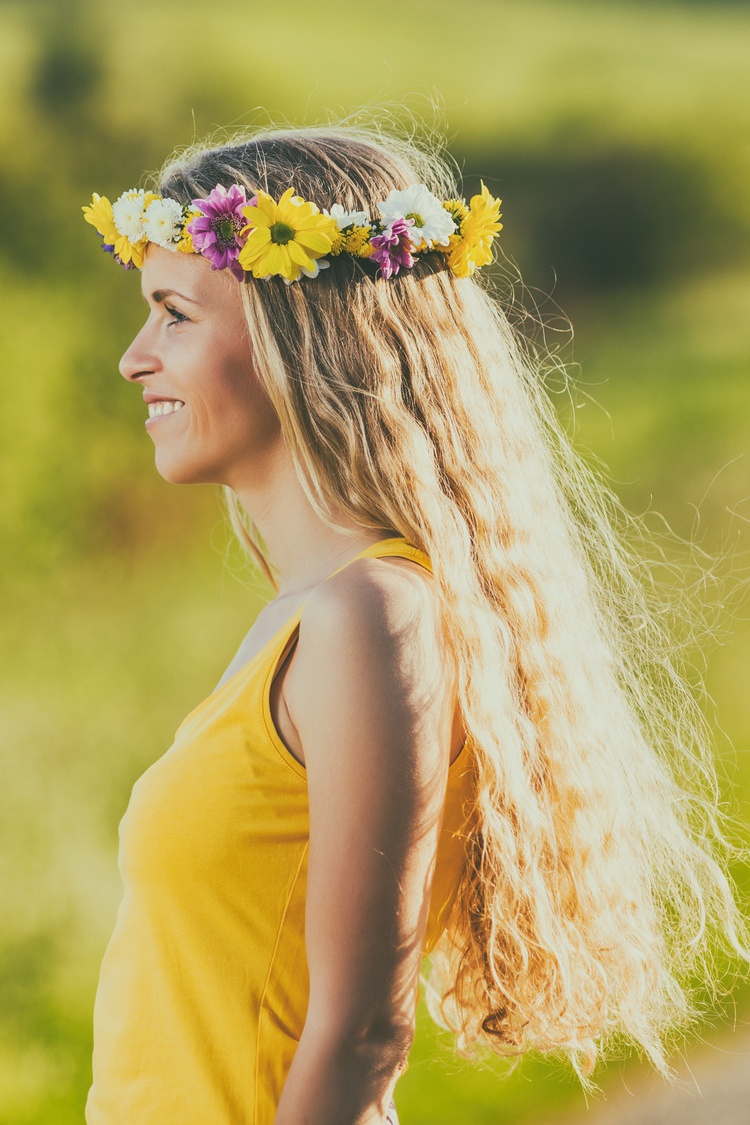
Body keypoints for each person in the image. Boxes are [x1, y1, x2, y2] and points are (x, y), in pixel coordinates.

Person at [81, 123, 748, 1125]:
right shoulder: (311, 613)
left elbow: (361, 1034)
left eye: (174, 314)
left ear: (296, 331)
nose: (134, 359)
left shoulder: (368, 615)